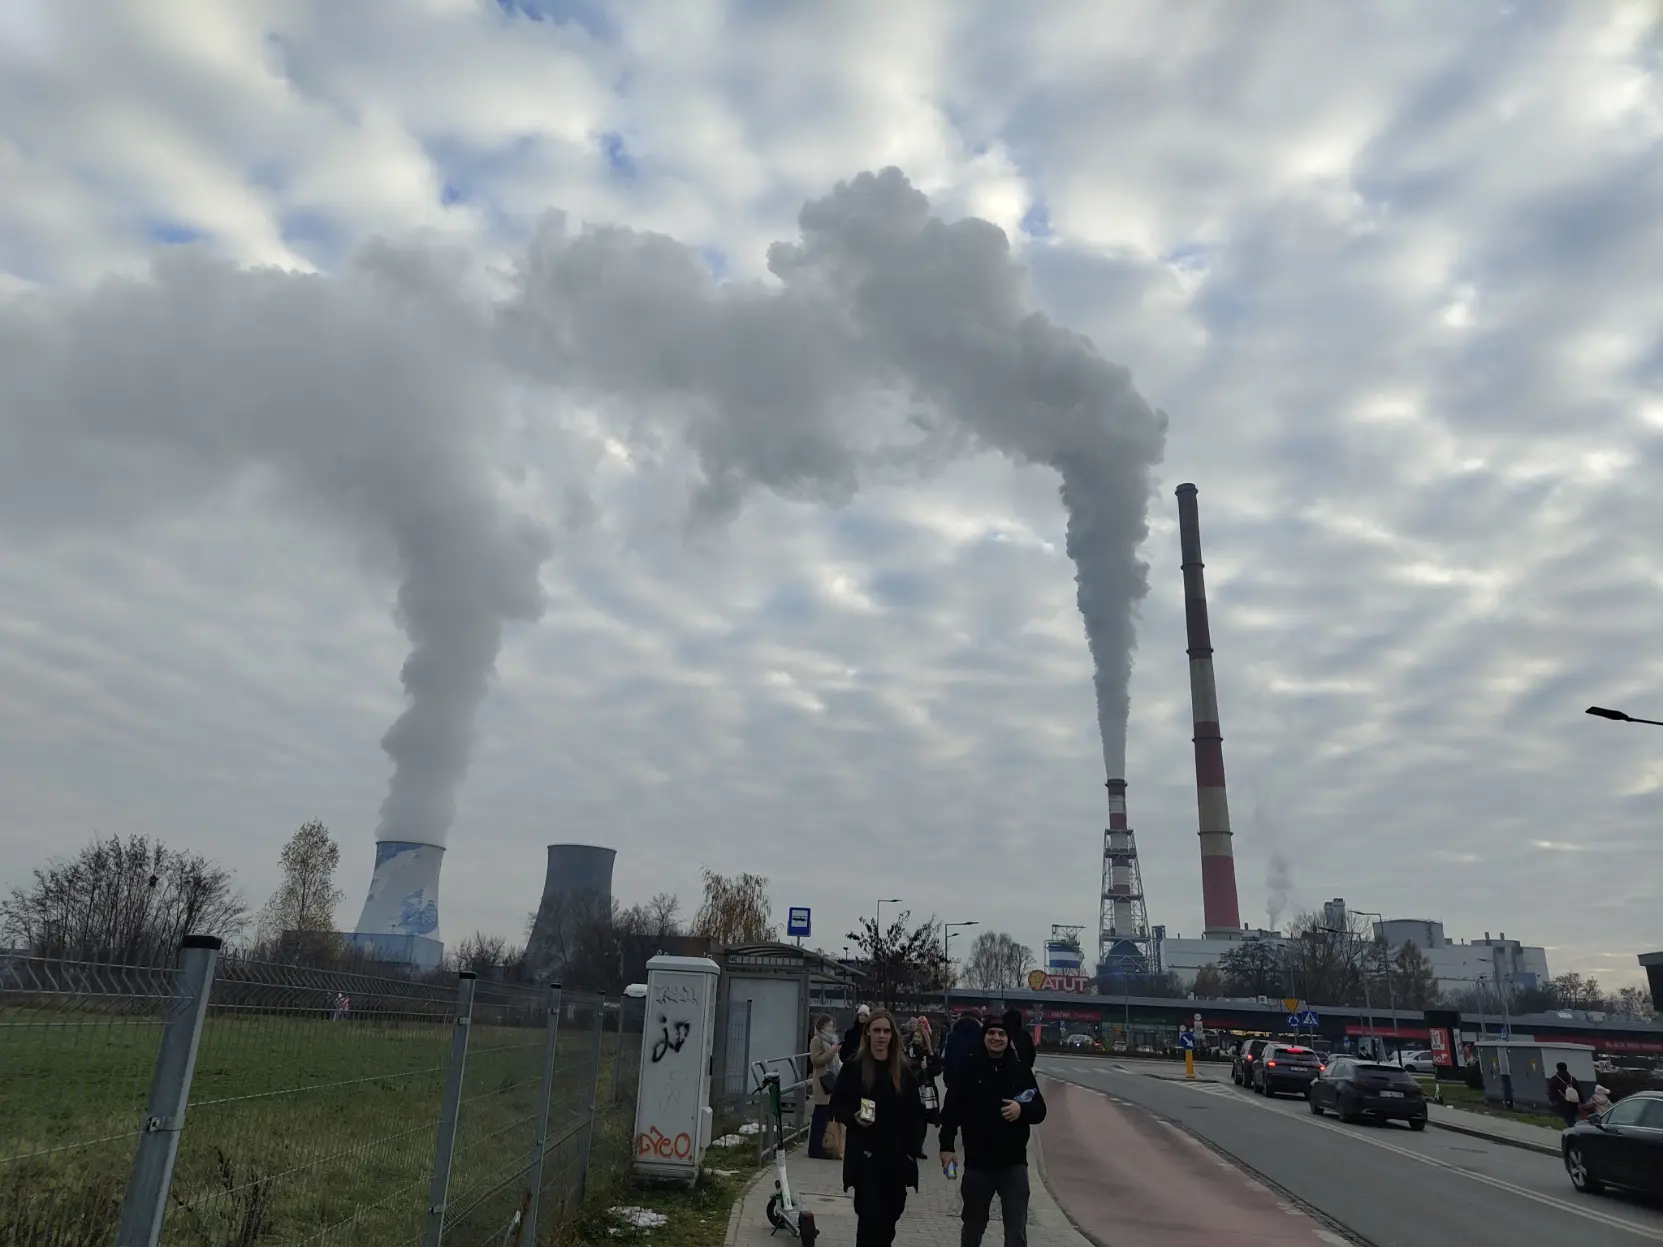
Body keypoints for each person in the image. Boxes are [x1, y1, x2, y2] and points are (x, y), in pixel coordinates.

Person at [939, 1014, 1048, 1247]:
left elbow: (1040, 1110)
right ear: (983, 1036)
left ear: (1008, 1039)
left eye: (1001, 1034)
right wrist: (946, 1147)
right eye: (991, 1033)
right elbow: (951, 1110)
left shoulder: (1020, 1071)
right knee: (973, 1225)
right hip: (978, 1163)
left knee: (1016, 1228)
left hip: (1013, 1164)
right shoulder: (968, 1068)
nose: (996, 1038)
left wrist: (1022, 1109)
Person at [831, 1007, 927, 1247]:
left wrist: (911, 1151)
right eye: (877, 1030)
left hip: (895, 1158)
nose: (881, 1036)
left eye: (886, 1031)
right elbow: (838, 1105)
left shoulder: (903, 1071)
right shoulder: (854, 1067)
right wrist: (853, 1118)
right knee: (868, 1220)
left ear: (892, 1034)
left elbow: (915, 1114)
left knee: (889, 1221)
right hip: (866, 1157)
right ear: (868, 1033)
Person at [808, 1012, 843, 1159]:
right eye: (829, 1025)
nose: (831, 1028)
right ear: (822, 1026)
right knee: (820, 1117)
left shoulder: (832, 1040)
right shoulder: (817, 1040)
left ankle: (824, 1145)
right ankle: (814, 1149)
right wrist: (831, 1052)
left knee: (826, 1116)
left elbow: (836, 1061)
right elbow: (816, 1061)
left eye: (832, 1025)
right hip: (823, 1082)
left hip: (831, 1081)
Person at [942, 1008, 983, 1089]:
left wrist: (947, 1079)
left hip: (955, 1079)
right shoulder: (981, 1034)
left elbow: (947, 1058)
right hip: (975, 1081)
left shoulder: (953, 1034)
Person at [1548, 1062, 1583, 1128]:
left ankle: (1573, 1129)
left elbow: (1552, 1090)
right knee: (1572, 1117)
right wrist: (1582, 1101)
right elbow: (1578, 1090)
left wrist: (1551, 1100)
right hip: (1573, 1101)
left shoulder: (1555, 1079)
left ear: (1557, 1068)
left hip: (1562, 1102)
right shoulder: (1572, 1079)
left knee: (1568, 1118)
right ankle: (1574, 1127)